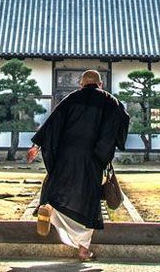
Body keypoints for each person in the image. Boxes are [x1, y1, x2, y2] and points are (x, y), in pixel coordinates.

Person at [26, 69, 130, 261]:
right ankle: (83, 250)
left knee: (55, 189)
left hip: (66, 155)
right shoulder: (111, 101)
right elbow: (122, 121)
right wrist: (103, 152)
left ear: (81, 84)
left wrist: (36, 145)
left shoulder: (72, 98)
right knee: (87, 201)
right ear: (100, 84)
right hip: (92, 158)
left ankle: (48, 208)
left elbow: (52, 122)